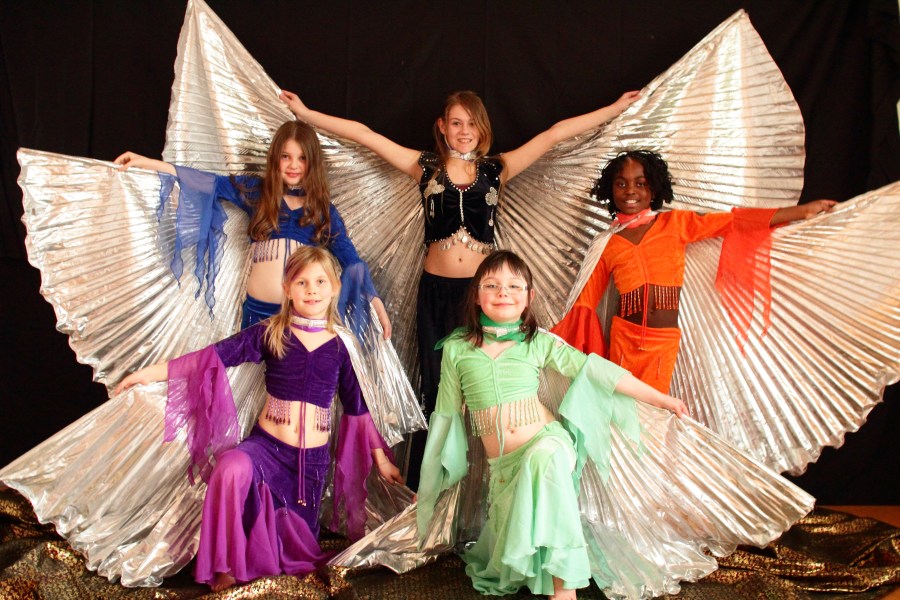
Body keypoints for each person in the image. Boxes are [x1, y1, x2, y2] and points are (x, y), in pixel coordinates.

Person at [279, 88, 641, 487]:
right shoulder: (425, 167)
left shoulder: (497, 169)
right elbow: (366, 135)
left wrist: (614, 108)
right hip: (435, 293)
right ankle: (431, 486)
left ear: (482, 128)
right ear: (442, 126)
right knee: (437, 388)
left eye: (471, 123)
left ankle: (485, 484)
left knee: (486, 387)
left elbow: (554, 134)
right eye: (456, 122)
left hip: (481, 298)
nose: (464, 131)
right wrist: (307, 113)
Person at [115, 246, 403, 592]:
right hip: (266, 449)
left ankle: (256, 556)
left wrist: (381, 460)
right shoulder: (271, 332)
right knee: (231, 468)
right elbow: (212, 357)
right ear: (287, 288)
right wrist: (147, 375)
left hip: (308, 466)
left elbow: (357, 409)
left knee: (291, 556)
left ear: (335, 288)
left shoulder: (342, 345)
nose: (311, 290)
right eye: (302, 282)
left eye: (320, 282)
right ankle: (224, 566)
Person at [416, 250, 687, 599]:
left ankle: (564, 590)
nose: (503, 292)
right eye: (492, 285)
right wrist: (432, 481)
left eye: (514, 286)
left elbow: (595, 371)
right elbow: (446, 415)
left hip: (547, 442)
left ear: (529, 297)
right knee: (510, 563)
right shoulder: (456, 349)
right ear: (477, 296)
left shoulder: (538, 342)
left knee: (543, 459)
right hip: (503, 470)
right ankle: (552, 576)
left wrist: (662, 400)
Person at [552, 149, 837, 392]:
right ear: (610, 189)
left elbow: (733, 222)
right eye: (621, 184)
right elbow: (585, 304)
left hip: (662, 342)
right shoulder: (607, 242)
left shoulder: (675, 223)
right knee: (619, 412)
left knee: (652, 415)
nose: (630, 191)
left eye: (641, 183)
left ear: (654, 189)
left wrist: (800, 211)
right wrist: (549, 343)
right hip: (623, 339)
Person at [115, 119, 391, 336]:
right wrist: (148, 163)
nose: (293, 165)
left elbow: (351, 259)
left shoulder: (323, 210)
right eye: (286, 156)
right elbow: (207, 182)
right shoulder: (257, 192)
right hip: (256, 314)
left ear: (313, 163)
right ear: (275, 159)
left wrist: (375, 301)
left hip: (301, 318)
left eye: (302, 158)